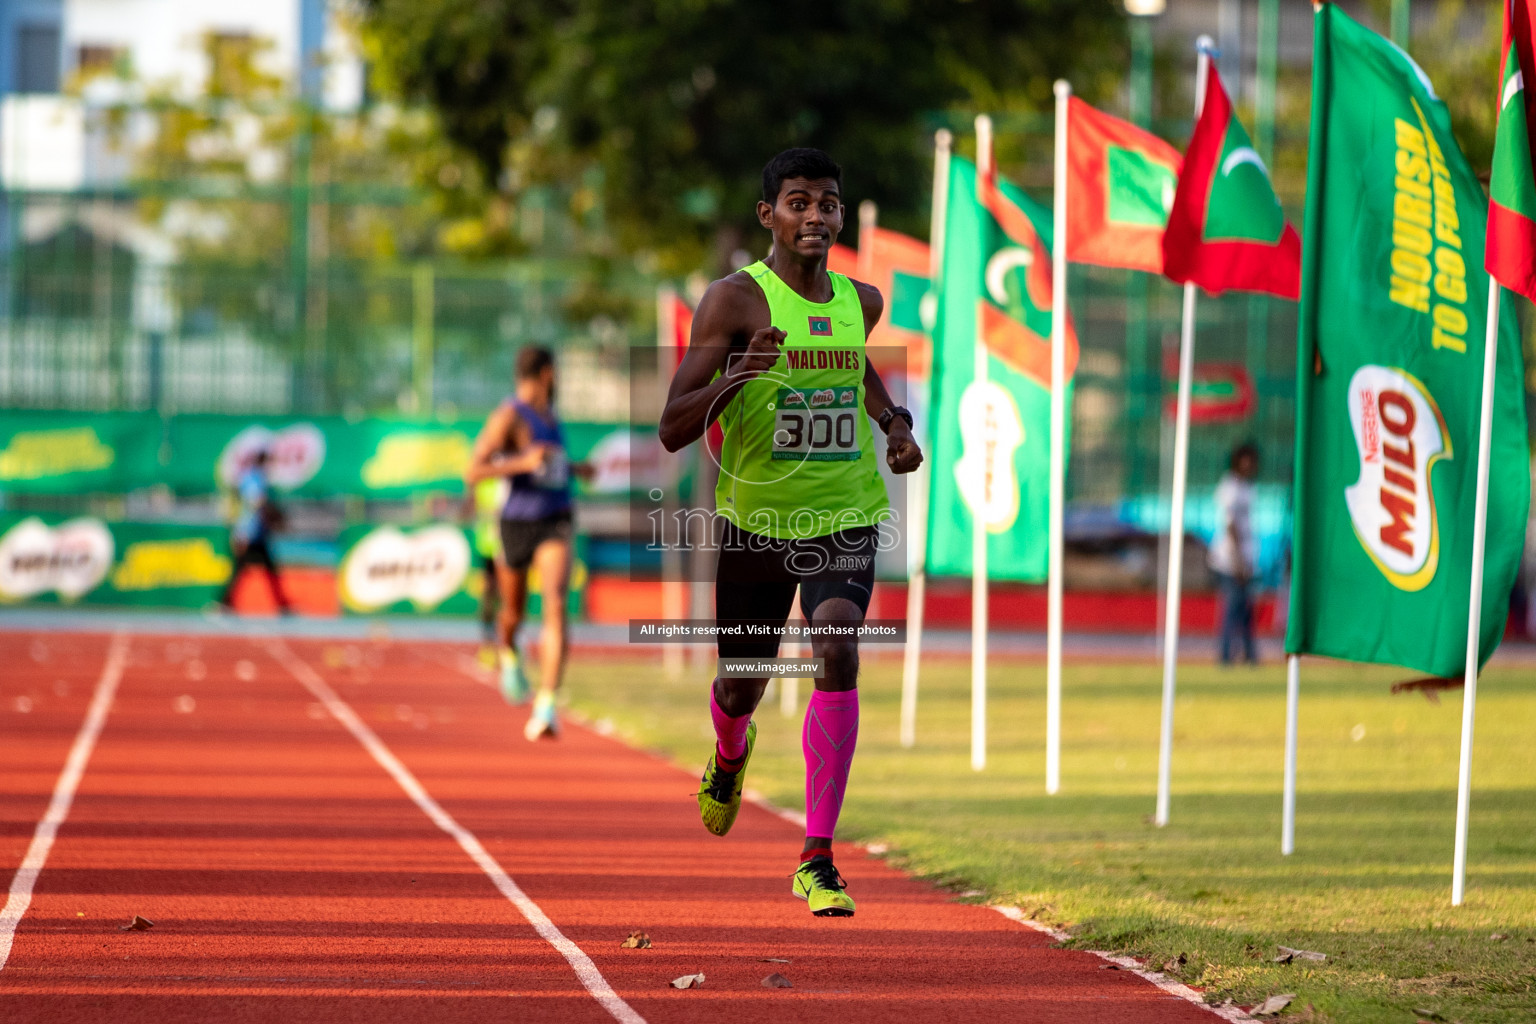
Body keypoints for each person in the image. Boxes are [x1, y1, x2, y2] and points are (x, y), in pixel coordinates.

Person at [659, 148, 923, 917]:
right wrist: (738, 375)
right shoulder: (733, 302)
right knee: (742, 685)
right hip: (754, 523)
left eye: (829, 203)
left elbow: (855, 368)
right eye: (799, 202)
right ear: (767, 215)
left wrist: (894, 423)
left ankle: (818, 857)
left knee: (837, 644)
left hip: (843, 511)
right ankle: (729, 752)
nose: (817, 216)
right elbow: (674, 425)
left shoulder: (862, 301)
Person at [466, 346, 592, 740]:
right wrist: (521, 462)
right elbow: (473, 469)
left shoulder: (552, 417)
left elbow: (549, 466)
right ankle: (509, 653)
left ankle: (547, 705)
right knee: (513, 615)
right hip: (516, 522)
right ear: (547, 373)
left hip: (555, 518)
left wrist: (575, 469)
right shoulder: (509, 415)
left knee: (555, 601)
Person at [219, 448, 292, 614]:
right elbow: (257, 502)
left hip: (258, 534)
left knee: (267, 570)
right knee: (240, 570)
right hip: (248, 534)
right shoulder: (253, 478)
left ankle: (281, 604)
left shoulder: (260, 479)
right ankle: (224, 602)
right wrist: (275, 514)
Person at [1210, 442, 1260, 665]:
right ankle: (1226, 655)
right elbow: (1231, 526)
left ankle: (1249, 655)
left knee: (1245, 611)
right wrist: (1239, 561)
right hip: (1229, 560)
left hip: (1243, 559)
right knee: (1232, 609)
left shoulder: (1247, 488)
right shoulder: (1229, 487)